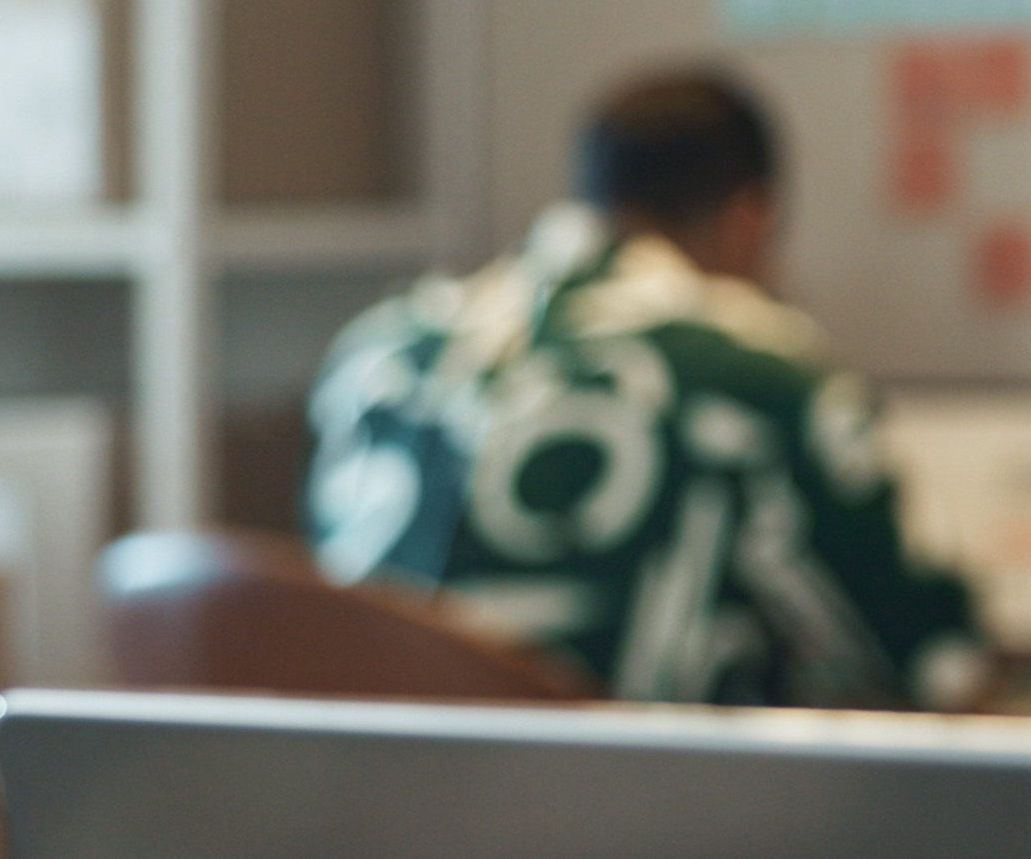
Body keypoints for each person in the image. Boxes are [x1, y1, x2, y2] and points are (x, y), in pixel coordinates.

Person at [303, 66, 983, 708]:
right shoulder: (758, 368)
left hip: (373, 815)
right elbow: (937, 663)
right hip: (640, 818)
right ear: (751, 217)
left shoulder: (387, 351)